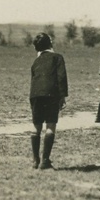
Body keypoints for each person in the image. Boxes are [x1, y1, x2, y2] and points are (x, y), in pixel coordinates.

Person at [29, 32, 68, 170]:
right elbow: (61, 77)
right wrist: (62, 96)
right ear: (50, 44)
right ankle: (45, 160)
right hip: (51, 94)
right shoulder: (57, 57)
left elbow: (33, 79)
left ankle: (35, 160)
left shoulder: (36, 61)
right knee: (50, 126)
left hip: (35, 95)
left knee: (36, 126)